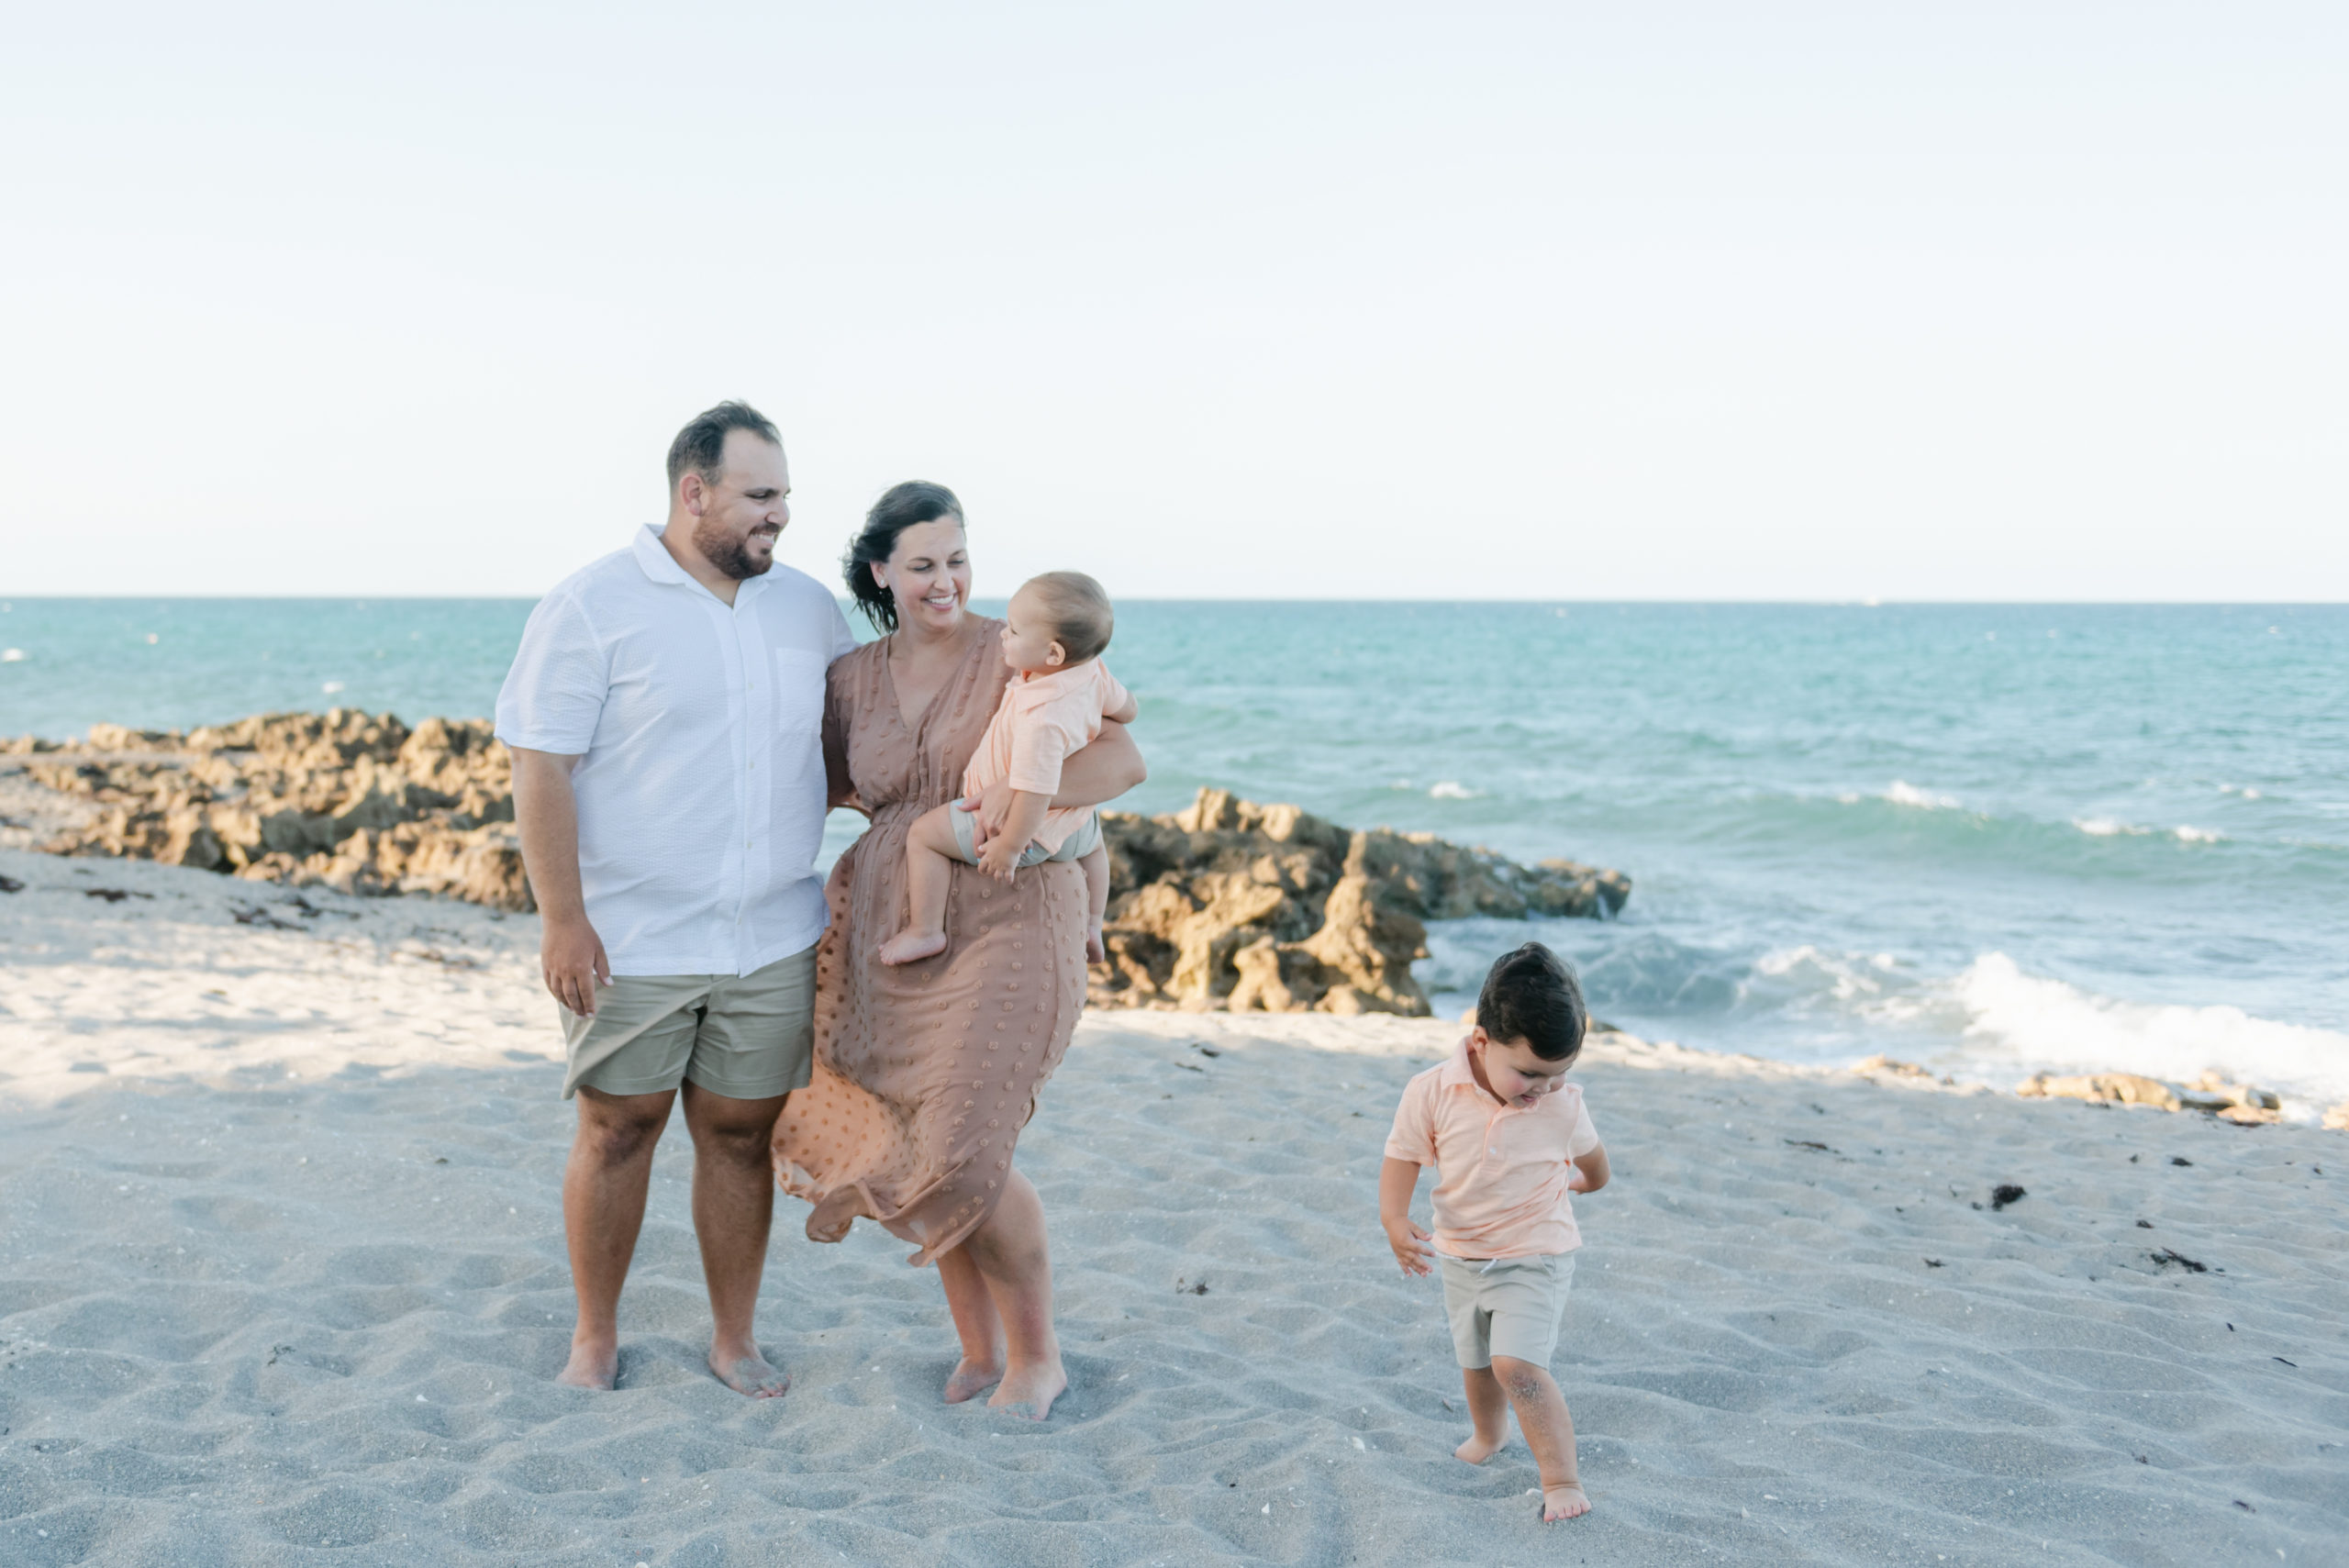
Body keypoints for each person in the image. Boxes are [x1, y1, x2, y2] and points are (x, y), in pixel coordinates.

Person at [496, 401, 857, 1397]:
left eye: (784, 495)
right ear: (692, 492)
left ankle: (733, 1338)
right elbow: (541, 767)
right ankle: (594, 1336)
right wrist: (563, 918)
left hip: (773, 932)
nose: (778, 516)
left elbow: (851, 748)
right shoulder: (591, 605)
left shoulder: (807, 608)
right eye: (759, 495)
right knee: (619, 1129)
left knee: (740, 1137)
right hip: (633, 935)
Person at [772, 481, 1145, 1421]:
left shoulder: (1020, 653)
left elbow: (1124, 764)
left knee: (967, 1146)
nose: (946, 580)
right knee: (901, 1140)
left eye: (958, 559)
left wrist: (1013, 806)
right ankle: (979, 1350)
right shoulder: (851, 678)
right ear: (881, 572)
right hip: (888, 928)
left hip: (1015, 913)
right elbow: (804, 790)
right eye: (925, 563)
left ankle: (1037, 1357)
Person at [1379, 941, 1613, 1522]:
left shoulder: (1561, 1103)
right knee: (1477, 1360)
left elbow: (1594, 1158)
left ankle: (1560, 1479)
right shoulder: (1432, 1091)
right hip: (1461, 1253)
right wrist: (1393, 1219)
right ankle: (1489, 1435)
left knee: (1516, 1365)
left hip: (1537, 1252)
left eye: (1558, 1076)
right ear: (1481, 1043)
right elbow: (1404, 1155)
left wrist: (1590, 1182)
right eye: (1530, 1074)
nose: (1544, 1089)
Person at [876, 571, 1136, 968]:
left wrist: (1010, 846)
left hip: (1018, 826)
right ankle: (1094, 924)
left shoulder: (1042, 718)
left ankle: (925, 930)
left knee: (923, 836)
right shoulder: (1093, 671)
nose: (1004, 635)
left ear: (1052, 655)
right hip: (1077, 826)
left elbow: (1033, 791)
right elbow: (1128, 709)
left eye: (1014, 631)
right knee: (1096, 847)